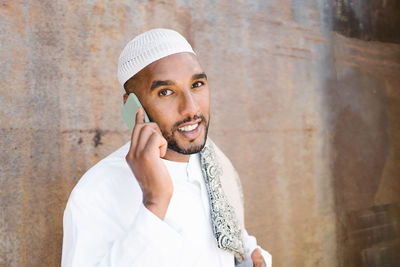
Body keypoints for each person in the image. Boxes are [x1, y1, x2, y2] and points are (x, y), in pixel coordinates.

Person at [61, 28, 272, 267]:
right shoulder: (97, 191)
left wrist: (252, 259)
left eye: (197, 84)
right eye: (166, 92)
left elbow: (234, 244)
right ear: (132, 104)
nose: (191, 108)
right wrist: (155, 201)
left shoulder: (215, 165)